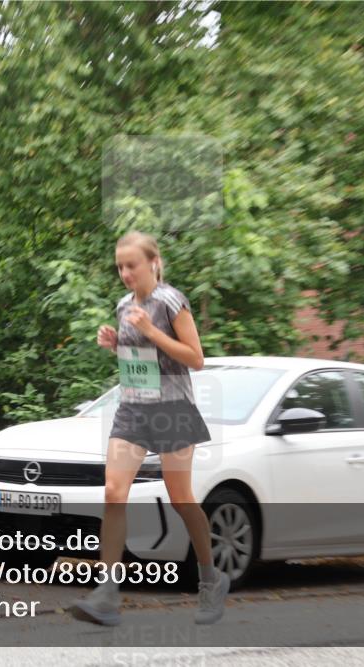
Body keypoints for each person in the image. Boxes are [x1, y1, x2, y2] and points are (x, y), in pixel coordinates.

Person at [70, 231, 229, 627]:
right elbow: (137, 360)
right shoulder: (124, 305)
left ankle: (210, 579)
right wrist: (115, 344)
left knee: (181, 499)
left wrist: (153, 332)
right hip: (133, 409)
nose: (125, 273)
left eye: (132, 265)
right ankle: (107, 594)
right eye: (120, 266)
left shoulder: (171, 301)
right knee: (113, 492)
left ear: (153, 263)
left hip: (173, 410)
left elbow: (196, 359)